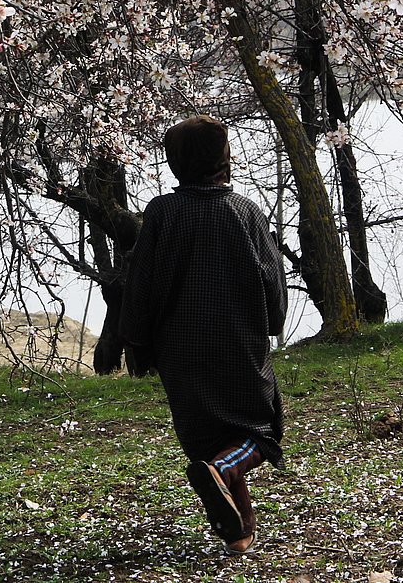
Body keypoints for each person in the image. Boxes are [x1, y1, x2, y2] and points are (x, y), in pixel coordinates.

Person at [120, 115, 287, 556]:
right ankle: (219, 472)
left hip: (179, 351)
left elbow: (141, 282)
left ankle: (239, 534)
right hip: (238, 345)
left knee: (209, 436)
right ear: (223, 159)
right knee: (260, 431)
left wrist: (136, 341)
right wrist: (272, 324)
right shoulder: (245, 211)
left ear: (176, 164)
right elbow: (272, 277)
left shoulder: (161, 213)